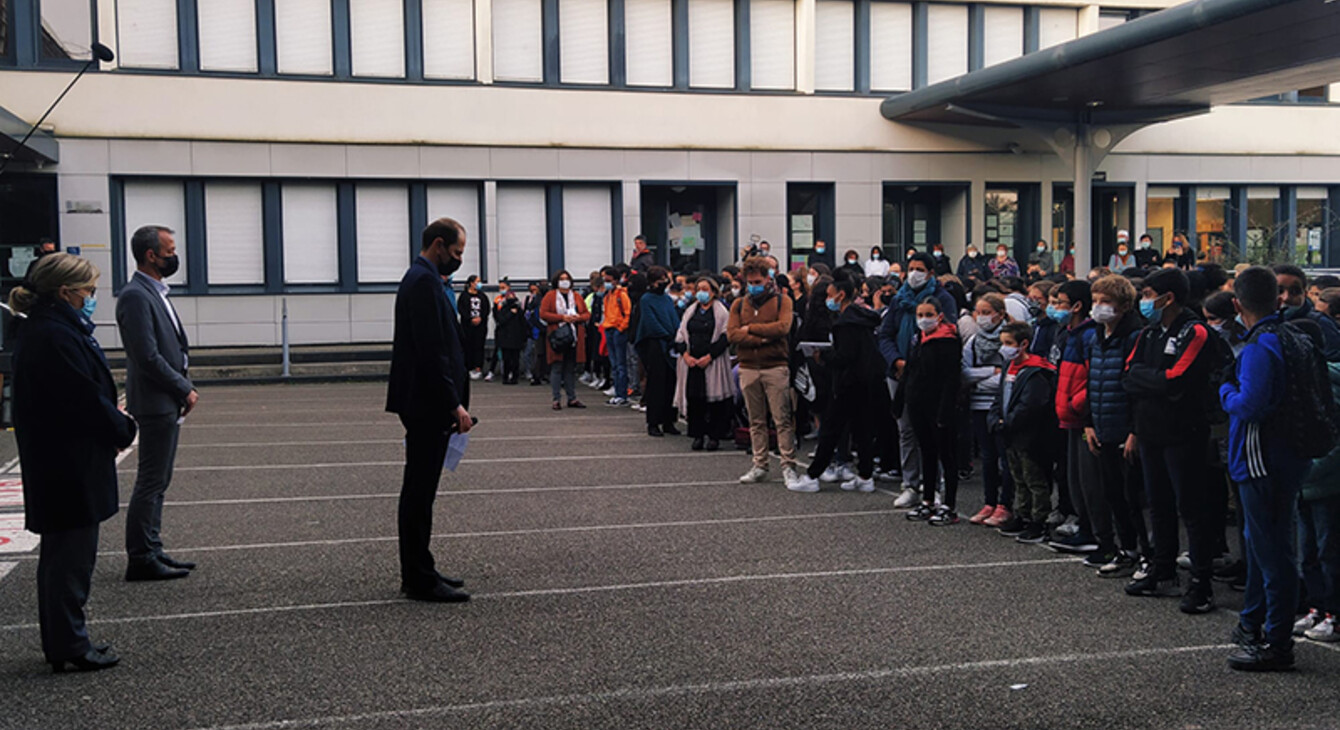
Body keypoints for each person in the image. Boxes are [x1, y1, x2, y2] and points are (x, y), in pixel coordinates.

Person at [12, 253, 137, 673]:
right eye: (87, 291)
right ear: (64, 293)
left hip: (64, 462)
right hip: (67, 465)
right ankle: (69, 643)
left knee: (65, 559)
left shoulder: (53, 329)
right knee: (70, 560)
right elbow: (83, 399)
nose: (92, 298)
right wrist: (122, 428)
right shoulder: (54, 336)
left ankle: (67, 639)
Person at [1220, 266, 1319, 670]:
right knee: (1264, 545)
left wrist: (1225, 390)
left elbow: (1251, 405)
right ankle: (1254, 622)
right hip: (1290, 454)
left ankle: (1276, 642)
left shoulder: (1261, 346)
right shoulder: (1293, 335)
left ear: (1237, 304)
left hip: (1262, 458)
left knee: (1272, 551)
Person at [385, 217, 473, 603]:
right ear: (438, 245)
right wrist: (452, 402)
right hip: (426, 404)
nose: (458, 260)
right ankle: (418, 578)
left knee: (422, 492)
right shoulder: (422, 281)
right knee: (419, 492)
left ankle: (422, 567)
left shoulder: (423, 278)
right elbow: (431, 351)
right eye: (456, 253)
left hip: (425, 401)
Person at [1122, 268, 1220, 613]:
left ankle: (1201, 582)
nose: (1144, 301)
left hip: (1184, 432)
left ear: (1169, 297)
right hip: (1150, 429)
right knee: (1158, 503)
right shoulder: (1148, 333)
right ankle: (1161, 567)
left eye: (1149, 294)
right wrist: (1155, 380)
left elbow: (1178, 380)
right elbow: (1128, 373)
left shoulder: (1194, 331)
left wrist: (1152, 380)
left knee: (1191, 507)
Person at [116, 225, 197, 583]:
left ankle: (153, 547)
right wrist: (183, 388)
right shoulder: (136, 295)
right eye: (170, 250)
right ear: (151, 255)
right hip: (155, 401)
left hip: (166, 399)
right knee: (151, 481)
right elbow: (146, 356)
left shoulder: (154, 291)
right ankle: (142, 557)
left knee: (158, 480)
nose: (174, 256)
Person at [1081, 275, 1150, 577]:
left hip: (1126, 426)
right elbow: (1091, 380)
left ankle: (1147, 553)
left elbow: (1136, 388)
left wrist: (1135, 430)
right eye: (1095, 301)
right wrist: (1089, 423)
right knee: (1113, 494)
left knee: (1132, 496)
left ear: (1123, 305)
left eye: (1105, 302)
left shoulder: (1135, 336)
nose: (1099, 308)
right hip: (1102, 423)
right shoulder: (1096, 336)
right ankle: (1127, 549)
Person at [791, 276, 885, 494]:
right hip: (866, 381)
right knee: (861, 430)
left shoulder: (845, 323)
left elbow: (845, 356)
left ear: (841, 294)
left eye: (829, 294)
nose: (827, 299)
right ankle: (865, 475)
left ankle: (813, 475)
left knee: (831, 429)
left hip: (848, 383)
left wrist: (823, 356)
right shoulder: (863, 318)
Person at [878, 252, 956, 507]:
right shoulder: (899, 299)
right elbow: (885, 335)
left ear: (931, 273)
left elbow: (949, 333)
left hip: (928, 377)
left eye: (919, 268)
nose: (913, 273)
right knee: (906, 430)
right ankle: (910, 483)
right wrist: (897, 361)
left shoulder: (943, 299)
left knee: (933, 432)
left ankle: (935, 483)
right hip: (900, 373)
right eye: (910, 268)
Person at [728, 257, 799, 485]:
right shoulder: (739, 304)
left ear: (768, 279)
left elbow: (783, 327)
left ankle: (788, 465)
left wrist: (750, 330)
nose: (753, 285)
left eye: (757, 281)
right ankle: (760, 463)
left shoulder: (783, 301)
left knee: (782, 419)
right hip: (748, 367)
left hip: (775, 366)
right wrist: (763, 337)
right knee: (755, 420)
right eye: (750, 282)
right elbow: (732, 334)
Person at [896, 298, 963, 524]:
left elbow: (950, 380)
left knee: (946, 454)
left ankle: (949, 504)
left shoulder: (948, 342)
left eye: (928, 314)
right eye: (920, 315)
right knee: (927, 451)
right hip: (917, 403)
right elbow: (909, 372)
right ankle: (927, 501)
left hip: (939, 405)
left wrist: (945, 411)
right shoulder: (919, 340)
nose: (924, 319)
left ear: (939, 315)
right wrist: (900, 400)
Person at [990, 322, 1058, 542]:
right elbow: (999, 397)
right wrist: (996, 420)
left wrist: (1008, 421)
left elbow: (1031, 405)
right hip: (1010, 433)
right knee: (1018, 477)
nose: (1005, 348)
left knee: (1034, 479)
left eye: (1009, 343)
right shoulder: (1009, 367)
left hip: (1030, 436)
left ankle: (1039, 521)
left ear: (1024, 344)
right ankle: (1022, 514)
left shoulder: (1037, 372)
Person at [963, 293, 1013, 526]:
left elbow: (1008, 375)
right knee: (987, 456)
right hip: (978, 405)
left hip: (1002, 405)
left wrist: (990, 377)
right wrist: (988, 373)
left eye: (986, 312)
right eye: (978, 312)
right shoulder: (973, 341)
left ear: (1000, 315)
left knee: (1005, 455)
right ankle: (989, 502)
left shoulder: (1009, 339)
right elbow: (964, 372)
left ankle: (1006, 504)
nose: (981, 317)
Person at [672, 278, 734, 451]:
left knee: (714, 401)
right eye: (699, 289)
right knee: (695, 399)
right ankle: (697, 435)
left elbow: (725, 336)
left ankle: (714, 436)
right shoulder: (691, 311)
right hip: (691, 361)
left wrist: (710, 356)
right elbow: (681, 334)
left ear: (713, 292)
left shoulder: (721, 312)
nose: (701, 292)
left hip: (712, 361)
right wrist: (685, 354)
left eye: (705, 289)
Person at [633, 266, 679, 435]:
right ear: (652, 282)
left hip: (670, 345)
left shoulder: (666, 299)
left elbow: (674, 319)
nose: (664, 284)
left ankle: (669, 421)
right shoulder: (646, 299)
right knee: (656, 385)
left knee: (671, 383)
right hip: (655, 345)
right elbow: (651, 323)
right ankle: (653, 422)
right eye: (660, 281)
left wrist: (677, 336)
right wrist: (667, 336)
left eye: (665, 280)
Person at [541, 270, 591, 411]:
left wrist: (577, 318)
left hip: (574, 337)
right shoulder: (550, 296)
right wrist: (561, 318)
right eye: (562, 279)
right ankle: (556, 399)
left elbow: (586, 314)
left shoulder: (576, 296)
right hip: (558, 336)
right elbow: (543, 313)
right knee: (557, 367)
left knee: (570, 368)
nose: (564, 281)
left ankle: (572, 397)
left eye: (567, 279)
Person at [1275, 264, 1340, 362]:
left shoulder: (1319, 323)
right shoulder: (1252, 322)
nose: (1286, 297)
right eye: (1279, 291)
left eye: (1294, 291)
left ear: (1305, 294)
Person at [600, 266, 633, 405]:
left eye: (608, 279)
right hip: (609, 329)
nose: (606, 282)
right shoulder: (608, 295)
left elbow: (628, 312)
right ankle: (618, 392)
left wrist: (621, 328)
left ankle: (622, 394)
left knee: (620, 364)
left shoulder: (621, 294)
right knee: (615, 363)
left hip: (617, 330)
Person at [492, 285, 527, 385]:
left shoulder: (519, 311)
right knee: (506, 359)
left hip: (516, 338)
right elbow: (501, 321)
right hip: (505, 339)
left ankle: (515, 377)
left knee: (515, 360)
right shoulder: (502, 309)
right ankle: (506, 376)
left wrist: (523, 337)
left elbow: (523, 324)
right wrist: (511, 313)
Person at [457, 275, 490, 381]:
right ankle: (468, 367)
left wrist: (480, 318)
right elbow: (461, 309)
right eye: (477, 281)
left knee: (479, 347)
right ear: (471, 283)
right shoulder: (464, 296)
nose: (479, 284)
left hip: (480, 327)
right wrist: (470, 319)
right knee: (467, 347)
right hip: (467, 327)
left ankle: (478, 368)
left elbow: (486, 309)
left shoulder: (483, 296)